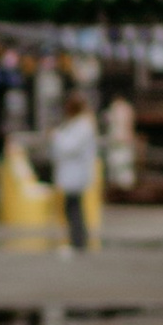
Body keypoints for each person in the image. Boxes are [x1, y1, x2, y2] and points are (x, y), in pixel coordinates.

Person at [47, 87, 101, 252]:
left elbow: (68, 146)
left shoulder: (82, 126)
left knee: (74, 208)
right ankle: (77, 239)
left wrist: (55, 136)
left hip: (76, 173)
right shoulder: (78, 124)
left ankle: (78, 242)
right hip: (73, 173)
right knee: (72, 207)